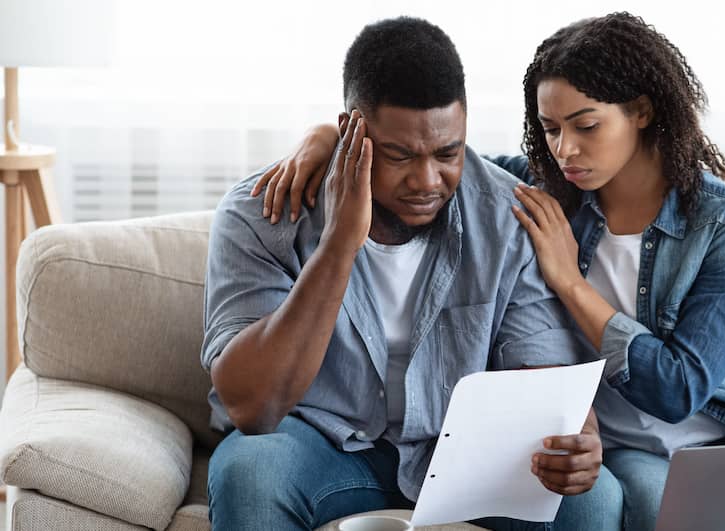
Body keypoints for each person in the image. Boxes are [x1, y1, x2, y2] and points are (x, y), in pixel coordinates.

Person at [258, 13, 725, 530]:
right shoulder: (545, 187)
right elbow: (429, 154)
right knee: (651, 508)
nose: (566, 150)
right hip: (617, 447)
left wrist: (569, 282)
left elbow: (679, 390)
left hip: (723, 432)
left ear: (643, 112)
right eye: (551, 129)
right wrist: (328, 139)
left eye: (586, 126)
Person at [202, 17, 622, 531]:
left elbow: (547, 377)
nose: (427, 181)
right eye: (399, 156)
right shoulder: (261, 215)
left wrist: (577, 437)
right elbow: (253, 409)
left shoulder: (506, 216)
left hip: (467, 457)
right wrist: (338, 246)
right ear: (350, 131)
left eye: (447, 154)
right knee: (250, 473)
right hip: (321, 447)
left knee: (594, 500)